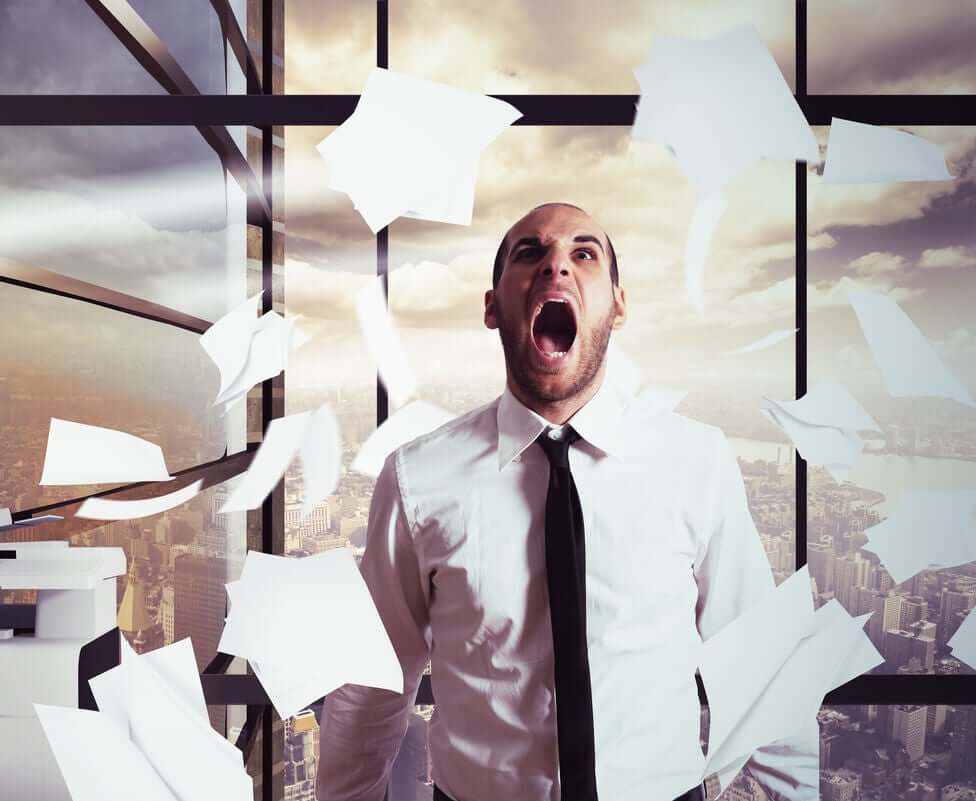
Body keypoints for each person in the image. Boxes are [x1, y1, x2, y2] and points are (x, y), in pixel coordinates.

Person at [316, 203, 818, 801]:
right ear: (492, 307)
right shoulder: (418, 479)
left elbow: (762, 667)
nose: (556, 266)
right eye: (529, 253)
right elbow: (371, 684)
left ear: (618, 306)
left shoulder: (698, 462)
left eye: (584, 254)